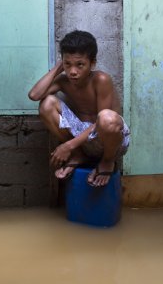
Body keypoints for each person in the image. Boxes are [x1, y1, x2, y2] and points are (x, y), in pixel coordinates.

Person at [28, 30, 130, 187]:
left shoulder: (101, 80)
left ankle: (107, 161)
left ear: (92, 63)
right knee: (46, 103)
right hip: (82, 139)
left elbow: (101, 123)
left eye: (80, 65)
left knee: (106, 118)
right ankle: (79, 155)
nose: (73, 71)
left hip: (109, 138)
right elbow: (35, 95)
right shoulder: (64, 80)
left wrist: (68, 146)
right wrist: (58, 68)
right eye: (68, 64)